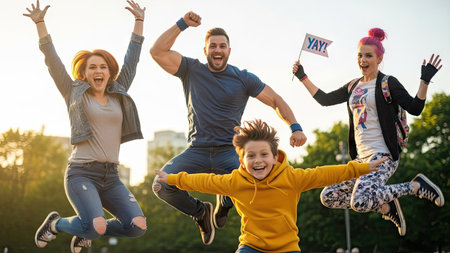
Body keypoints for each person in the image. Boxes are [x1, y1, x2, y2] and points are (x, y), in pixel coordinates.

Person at [150, 11, 307, 245]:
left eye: (222, 46)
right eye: (212, 46)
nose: (217, 50)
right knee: (161, 185)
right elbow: (157, 52)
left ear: (229, 51)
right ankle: (201, 212)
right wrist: (182, 24)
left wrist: (295, 127)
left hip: (229, 151)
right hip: (197, 150)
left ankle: (224, 203)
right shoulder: (191, 70)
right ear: (205, 51)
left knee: (254, 180)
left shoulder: (242, 78)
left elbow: (275, 99)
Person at [292, 28, 445, 236]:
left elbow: (415, 108)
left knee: (360, 201)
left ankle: (415, 186)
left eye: (368, 56)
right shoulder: (353, 86)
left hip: (383, 156)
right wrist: (303, 77)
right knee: (328, 196)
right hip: (361, 161)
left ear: (379, 58)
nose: (363, 60)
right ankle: (386, 206)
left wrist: (424, 81)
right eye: (360, 56)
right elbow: (325, 99)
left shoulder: (387, 83)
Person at [24, 0, 147, 252]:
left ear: (110, 73)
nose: (98, 70)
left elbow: (131, 61)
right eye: (93, 67)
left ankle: (88, 227)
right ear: (84, 73)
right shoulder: (73, 92)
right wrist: (40, 24)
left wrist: (139, 22)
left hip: (111, 176)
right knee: (96, 225)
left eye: (103, 67)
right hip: (81, 172)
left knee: (137, 225)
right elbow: (52, 60)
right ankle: (57, 224)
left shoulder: (119, 92)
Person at [155, 119, 386, 253]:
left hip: (286, 248)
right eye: (251, 156)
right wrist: (172, 179)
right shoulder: (235, 182)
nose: (258, 161)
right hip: (251, 247)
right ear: (242, 161)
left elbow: (325, 174)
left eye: (264, 154)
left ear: (275, 157)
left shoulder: (292, 178)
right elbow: (204, 181)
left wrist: (362, 168)